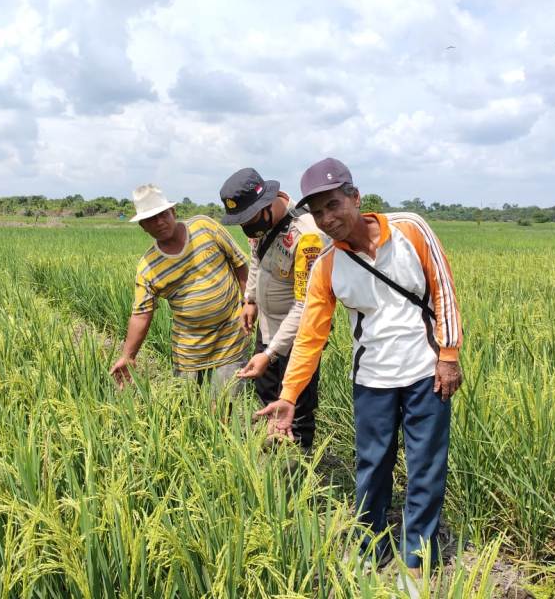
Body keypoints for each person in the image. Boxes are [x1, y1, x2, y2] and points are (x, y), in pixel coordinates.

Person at [255, 158, 463, 585]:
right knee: (372, 467)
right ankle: (371, 547)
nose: (328, 219)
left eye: (334, 205)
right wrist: (289, 397)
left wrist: (449, 355)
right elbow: (310, 337)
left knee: (425, 467)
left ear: (355, 196)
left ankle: (416, 560)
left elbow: (443, 288)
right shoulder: (328, 265)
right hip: (372, 380)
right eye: (318, 211)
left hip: (427, 372)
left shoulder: (411, 229)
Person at [218, 168, 328, 449]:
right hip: (267, 328)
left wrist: (270, 353)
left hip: (297, 338)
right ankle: (273, 454)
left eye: (249, 218)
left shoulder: (307, 236)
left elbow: (306, 305)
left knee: (297, 405)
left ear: (266, 205)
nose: (246, 227)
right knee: (267, 395)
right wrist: (250, 300)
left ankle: (297, 470)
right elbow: (256, 259)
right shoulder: (259, 226)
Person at [110, 184, 250, 394]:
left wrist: (248, 302)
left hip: (231, 337)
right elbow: (141, 314)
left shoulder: (205, 227)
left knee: (225, 408)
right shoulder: (148, 267)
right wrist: (128, 355)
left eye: (162, 214)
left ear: (173, 212)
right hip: (189, 351)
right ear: (143, 226)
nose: (158, 222)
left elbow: (240, 264)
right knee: (190, 411)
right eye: (150, 219)